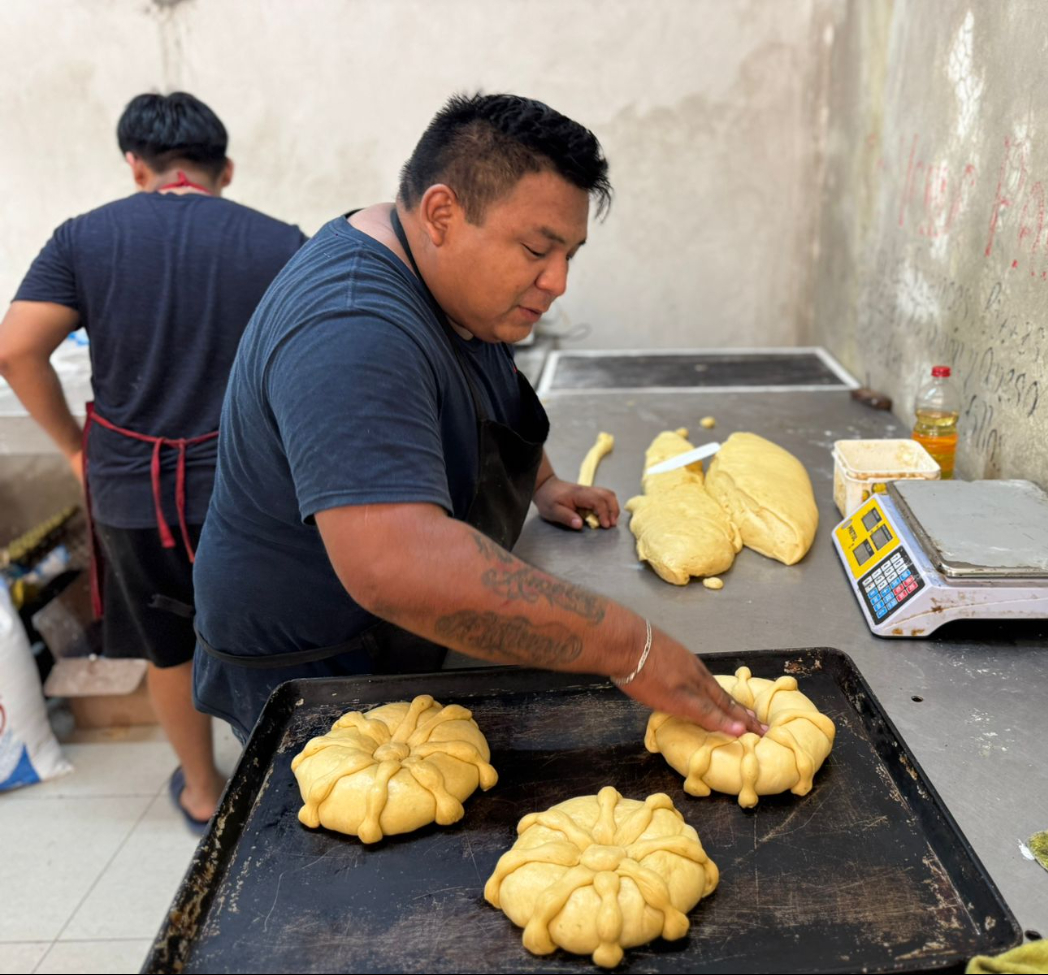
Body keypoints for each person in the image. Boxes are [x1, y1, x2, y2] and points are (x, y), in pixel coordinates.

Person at [191, 92, 762, 743]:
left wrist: (542, 482)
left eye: (569, 255)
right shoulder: (352, 328)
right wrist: (629, 645)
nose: (557, 282)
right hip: (318, 670)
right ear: (441, 212)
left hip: (399, 641)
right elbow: (394, 564)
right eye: (536, 249)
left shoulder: (451, 281)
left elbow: (488, 380)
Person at [0, 92, 307, 828]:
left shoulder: (83, 238)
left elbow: (14, 348)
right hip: (253, 487)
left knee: (169, 647)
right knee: (280, 640)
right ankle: (303, 787)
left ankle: (204, 789)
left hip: (135, 489)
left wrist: (77, 447)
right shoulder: (280, 241)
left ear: (135, 166)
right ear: (224, 169)